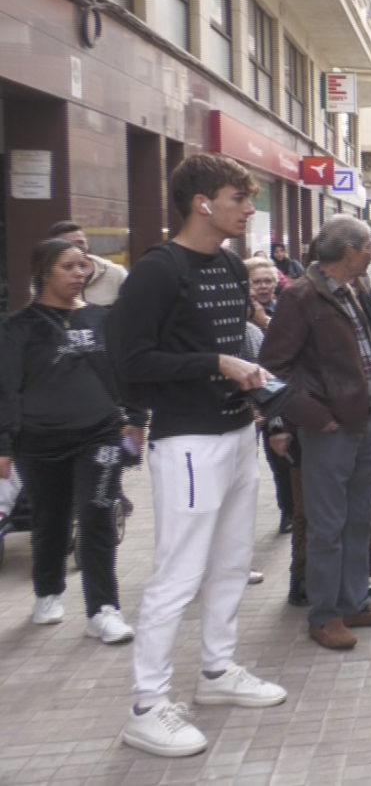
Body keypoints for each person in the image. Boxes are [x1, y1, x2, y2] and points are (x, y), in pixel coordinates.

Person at [108, 152, 287, 758]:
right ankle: (147, 706)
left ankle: (216, 672)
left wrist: (252, 384)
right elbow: (129, 362)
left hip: (239, 432)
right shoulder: (158, 271)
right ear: (202, 203)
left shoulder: (234, 268)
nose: (249, 208)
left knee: (233, 561)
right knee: (177, 573)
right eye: (239, 198)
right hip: (187, 441)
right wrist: (216, 364)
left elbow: (224, 346)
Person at [259, 215, 371, 652]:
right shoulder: (301, 297)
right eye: (369, 246)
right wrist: (312, 416)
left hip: (365, 421)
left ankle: (354, 601)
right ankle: (325, 615)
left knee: (360, 516)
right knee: (328, 524)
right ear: (348, 252)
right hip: (331, 429)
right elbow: (273, 369)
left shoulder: (354, 289)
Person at [0, 239, 144, 643]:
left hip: (98, 436)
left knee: (98, 513)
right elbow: (6, 389)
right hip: (38, 441)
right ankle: (48, 592)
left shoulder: (102, 320)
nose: (79, 273)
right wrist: (4, 445)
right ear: (44, 272)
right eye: (69, 266)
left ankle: (103, 609)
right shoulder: (17, 328)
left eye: (83, 266)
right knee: (50, 518)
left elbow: (123, 373)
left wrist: (135, 419)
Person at [243, 258, 293, 534]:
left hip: (275, 395)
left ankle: (288, 510)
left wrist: (265, 321)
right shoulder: (237, 314)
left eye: (267, 281)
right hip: (243, 402)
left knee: (280, 457)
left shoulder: (284, 309)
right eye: (256, 281)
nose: (262, 287)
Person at [49, 220, 128, 307]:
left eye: (81, 242)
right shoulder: (47, 277)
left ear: (87, 243)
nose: (77, 248)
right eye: (70, 244)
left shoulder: (116, 273)